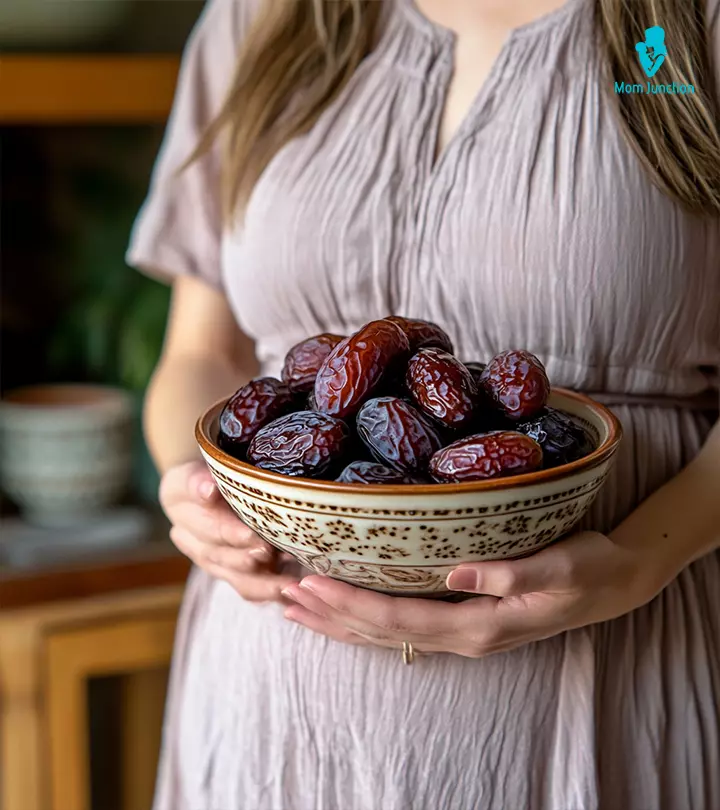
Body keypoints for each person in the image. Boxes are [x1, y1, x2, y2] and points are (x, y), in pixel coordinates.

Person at [127, 0, 720, 807]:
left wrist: (642, 562)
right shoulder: (263, 16)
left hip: (609, 670)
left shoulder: (682, 27)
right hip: (272, 692)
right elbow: (204, 355)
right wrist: (187, 488)